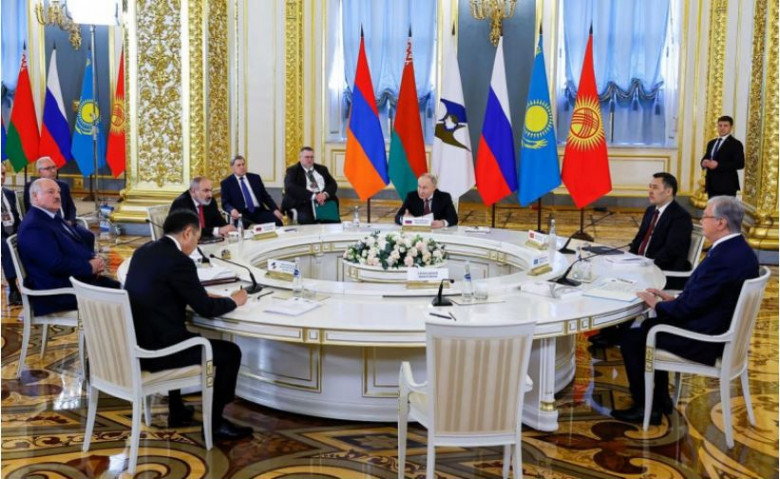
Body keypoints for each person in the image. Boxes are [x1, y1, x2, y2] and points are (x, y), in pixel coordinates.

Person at [611, 196, 759, 425]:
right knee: (649, 326)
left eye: (705, 216)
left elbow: (688, 308)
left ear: (721, 223)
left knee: (632, 338)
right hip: (714, 322)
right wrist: (671, 298)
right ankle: (660, 398)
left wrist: (657, 304)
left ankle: (645, 408)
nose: (701, 221)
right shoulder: (738, 249)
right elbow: (706, 296)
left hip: (706, 339)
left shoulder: (723, 258)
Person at [123, 209, 252, 440]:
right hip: (159, 352)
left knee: (183, 331)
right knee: (230, 352)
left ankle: (177, 409)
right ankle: (215, 424)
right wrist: (234, 300)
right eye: (196, 238)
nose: (196, 244)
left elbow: (166, 288)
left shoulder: (143, 251)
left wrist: (200, 294)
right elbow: (207, 310)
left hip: (137, 343)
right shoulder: (180, 261)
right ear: (187, 233)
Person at [589, 173, 693, 348]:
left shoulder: (680, 217)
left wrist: (643, 265)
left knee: (630, 284)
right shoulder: (651, 211)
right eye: (650, 187)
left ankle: (618, 333)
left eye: (655, 188)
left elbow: (671, 251)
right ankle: (608, 328)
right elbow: (638, 241)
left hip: (665, 271)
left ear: (668, 191)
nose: (650, 191)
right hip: (642, 265)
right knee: (610, 277)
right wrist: (626, 259)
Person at [17, 179, 119, 316]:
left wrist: (93, 259)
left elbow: (74, 246)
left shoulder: (51, 217)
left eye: (58, 192)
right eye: (50, 192)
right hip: (56, 293)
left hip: (73, 281)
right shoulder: (34, 226)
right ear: (35, 196)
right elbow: (54, 263)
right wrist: (89, 267)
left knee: (126, 289)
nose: (57, 196)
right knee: (122, 298)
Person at [221, 155, 284, 228]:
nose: (242, 167)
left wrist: (275, 209)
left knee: (278, 222)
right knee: (239, 229)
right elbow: (225, 203)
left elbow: (265, 196)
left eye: (243, 164)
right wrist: (232, 210)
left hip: (259, 211)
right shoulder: (227, 183)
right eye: (238, 165)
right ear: (232, 168)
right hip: (242, 214)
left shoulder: (255, 178)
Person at [281, 146, 340, 224]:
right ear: (300, 158)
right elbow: (290, 186)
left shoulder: (322, 169)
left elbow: (333, 184)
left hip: (324, 200)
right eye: (307, 157)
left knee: (333, 221)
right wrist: (313, 196)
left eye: (312, 157)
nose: (310, 159)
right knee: (307, 221)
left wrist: (324, 195)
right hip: (304, 202)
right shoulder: (292, 170)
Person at [170, 176, 235, 239]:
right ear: (193, 191)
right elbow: (189, 231)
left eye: (211, 190)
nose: (210, 195)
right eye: (206, 191)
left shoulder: (210, 201)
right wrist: (217, 231)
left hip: (207, 241)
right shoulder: (181, 203)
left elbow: (219, 221)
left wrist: (228, 228)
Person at [24, 156, 78, 224]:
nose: (53, 171)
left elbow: (71, 208)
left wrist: (70, 221)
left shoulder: (63, 186)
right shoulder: (31, 187)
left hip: (66, 224)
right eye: (48, 168)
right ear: (39, 172)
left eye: (54, 167)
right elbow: (31, 210)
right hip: (44, 224)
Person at [700, 115, 745, 198]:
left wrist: (718, 165)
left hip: (727, 186)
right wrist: (703, 162)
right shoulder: (711, 143)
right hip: (711, 184)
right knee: (712, 206)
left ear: (731, 127)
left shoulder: (736, 144)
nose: (722, 128)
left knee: (725, 207)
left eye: (725, 126)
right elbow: (707, 157)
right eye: (720, 125)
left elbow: (740, 164)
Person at [2, 163, 22, 305]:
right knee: (7, 246)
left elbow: (18, 216)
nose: (1, 177)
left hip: (14, 230)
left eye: (3, 174)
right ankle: (13, 289)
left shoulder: (9, 194)